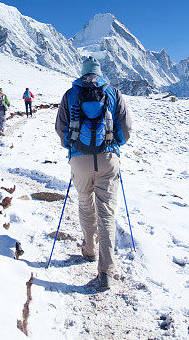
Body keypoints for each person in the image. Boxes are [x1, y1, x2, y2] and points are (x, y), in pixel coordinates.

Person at [55, 57, 132, 290]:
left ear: (82, 72)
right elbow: (126, 129)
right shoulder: (113, 93)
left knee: (85, 204)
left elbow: (61, 128)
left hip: (79, 159)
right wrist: (113, 146)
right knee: (106, 213)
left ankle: (88, 250)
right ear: (99, 73)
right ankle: (106, 271)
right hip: (108, 159)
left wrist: (72, 147)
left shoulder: (70, 94)